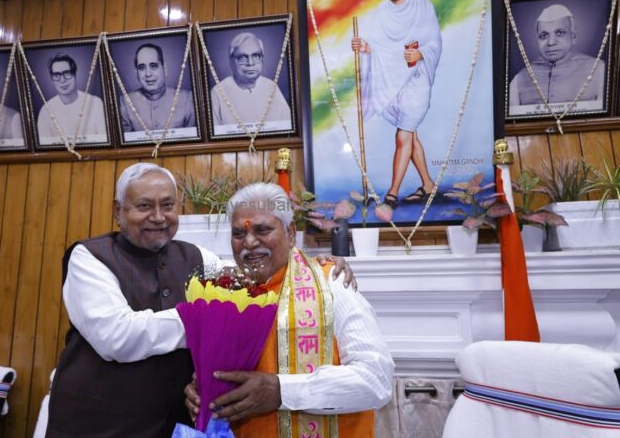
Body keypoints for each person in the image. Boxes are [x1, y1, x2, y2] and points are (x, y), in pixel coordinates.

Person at [46, 163, 356, 437]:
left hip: (174, 425)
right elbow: (118, 337)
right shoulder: (90, 257)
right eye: (144, 206)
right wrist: (204, 320)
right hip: (99, 424)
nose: (158, 216)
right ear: (118, 211)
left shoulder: (197, 257)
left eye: (168, 205)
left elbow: (255, 275)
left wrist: (313, 266)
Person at [185, 183, 394, 437]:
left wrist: (281, 391)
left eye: (263, 230)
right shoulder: (224, 293)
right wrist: (203, 389)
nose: (249, 242)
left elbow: (377, 380)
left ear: (291, 232)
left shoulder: (331, 283)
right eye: (239, 233)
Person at [351, 0, 442, 208]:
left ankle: (392, 194)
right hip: (392, 82)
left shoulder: (423, 7)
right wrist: (365, 47)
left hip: (417, 80)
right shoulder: (381, 12)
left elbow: (434, 43)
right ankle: (428, 185)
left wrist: (421, 53)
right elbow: (382, 50)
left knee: (403, 136)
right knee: (411, 136)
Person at [509, 4, 605, 107]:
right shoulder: (520, 79)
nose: (551, 42)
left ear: (574, 37)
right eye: (543, 36)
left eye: (560, 33)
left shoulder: (598, 70)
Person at [210, 32, 291, 126]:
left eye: (256, 56)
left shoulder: (271, 86)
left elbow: (288, 126)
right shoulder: (217, 93)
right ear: (231, 61)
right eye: (242, 57)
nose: (250, 63)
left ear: (262, 58)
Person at [119, 43, 196, 133]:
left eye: (153, 66)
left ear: (164, 69)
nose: (148, 74)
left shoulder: (187, 99)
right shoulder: (126, 102)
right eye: (142, 68)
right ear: (136, 73)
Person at [37, 53, 106, 142]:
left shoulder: (95, 103)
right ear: (52, 80)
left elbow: (104, 140)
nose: (62, 80)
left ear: (75, 74)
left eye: (67, 73)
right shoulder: (45, 111)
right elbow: (45, 145)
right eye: (56, 75)